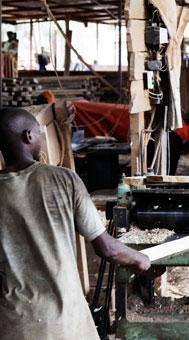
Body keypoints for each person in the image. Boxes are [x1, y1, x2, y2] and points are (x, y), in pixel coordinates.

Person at [0, 107, 151, 340]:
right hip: (64, 322)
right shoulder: (63, 179)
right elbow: (106, 248)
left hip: (13, 323)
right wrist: (140, 259)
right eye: (39, 132)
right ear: (28, 136)